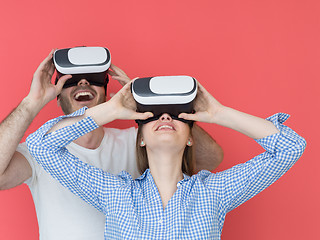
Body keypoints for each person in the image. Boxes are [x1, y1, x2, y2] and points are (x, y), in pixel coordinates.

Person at [26, 79, 306, 239]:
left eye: (175, 114)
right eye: (155, 114)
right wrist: (109, 110)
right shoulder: (115, 194)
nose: (165, 117)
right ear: (142, 138)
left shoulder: (213, 193)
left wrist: (219, 113)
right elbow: (41, 146)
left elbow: (290, 147)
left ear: (190, 138)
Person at [0, 50, 223, 240]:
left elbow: (210, 159)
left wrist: (151, 107)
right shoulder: (39, 153)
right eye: (71, 79)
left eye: (94, 77)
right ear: (58, 96)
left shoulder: (136, 141)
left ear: (107, 94)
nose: (83, 82)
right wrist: (31, 102)